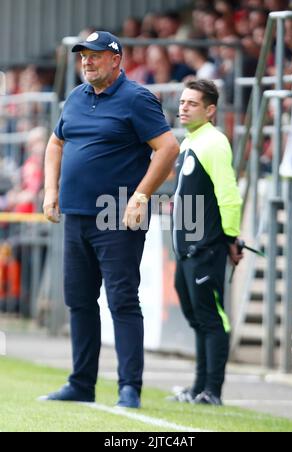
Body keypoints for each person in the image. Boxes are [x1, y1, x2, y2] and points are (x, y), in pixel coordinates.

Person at [41, 31, 179, 408]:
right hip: (76, 215)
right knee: (80, 301)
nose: (87, 61)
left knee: (121, 301)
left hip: (116, 216)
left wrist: (140, 195)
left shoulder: (136, 99)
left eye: (96, 55)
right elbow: (56, 143)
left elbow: (168, 147)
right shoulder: (76, 97)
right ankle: (81, 383)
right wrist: (50, 190)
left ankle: (129, 388)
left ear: (116, 60)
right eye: (83, 56)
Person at [171, 80, 243, 406]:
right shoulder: (190, 142)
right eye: (182, 102)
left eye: (192, 103)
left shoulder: (213, 142)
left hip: (206, 247)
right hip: (187, 250)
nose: (183, 107)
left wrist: (229, 237)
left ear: (210, 110)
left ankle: (212, 390)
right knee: (197, 317)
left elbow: (228, 195)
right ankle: (198, 387)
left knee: (212, 318)